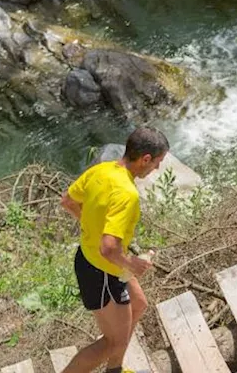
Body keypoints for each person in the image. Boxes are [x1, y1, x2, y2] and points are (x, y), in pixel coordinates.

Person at [60, 127, 169, 373]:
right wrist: (133, 264)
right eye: (158, 163)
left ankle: (115, 370)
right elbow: (109, 249)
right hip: (102, 272)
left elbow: (68, 200)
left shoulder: (101, 170)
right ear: (146, 159)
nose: (157, 169)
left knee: (139, 304)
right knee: (113, 342)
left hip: (94, 261)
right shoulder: (127, 194)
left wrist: (92, 227)